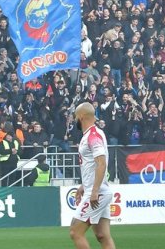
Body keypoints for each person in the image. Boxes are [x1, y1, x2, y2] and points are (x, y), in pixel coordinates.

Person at [69, 103, 116, 249]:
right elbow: (94, 165)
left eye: (75, 116)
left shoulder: (93, 135)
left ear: (81, 117)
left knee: (75, 232)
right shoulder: (92, 134)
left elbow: (101, 163)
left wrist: (94, 190)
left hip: (98, 192)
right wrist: (85, 186)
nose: (74, 120)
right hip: (97, 189)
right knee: (102, 235)